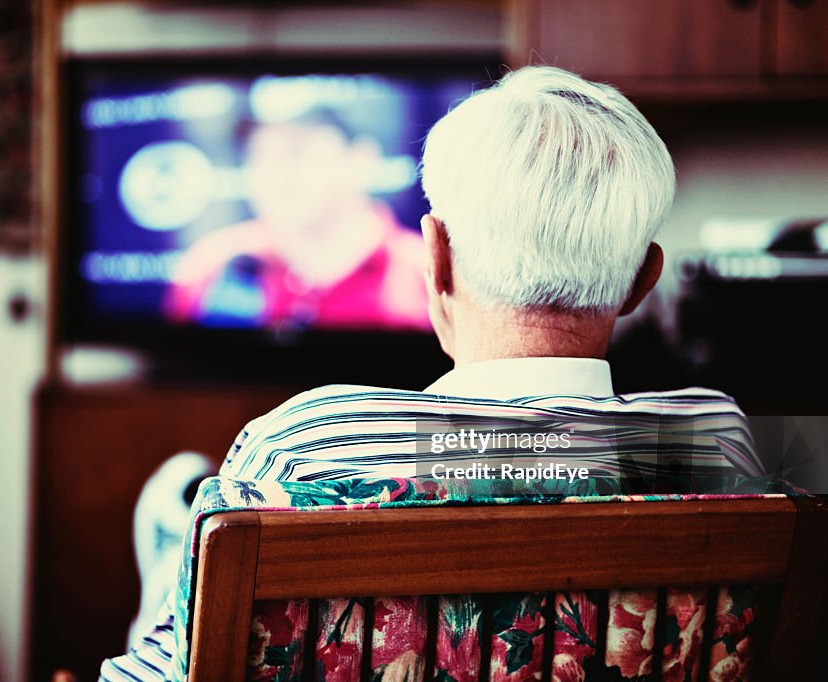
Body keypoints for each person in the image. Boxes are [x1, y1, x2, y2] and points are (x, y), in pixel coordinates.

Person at [101, 65, 764, 681]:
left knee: (179, 566)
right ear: (643, 280)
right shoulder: (715, 440)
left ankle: (175, 540)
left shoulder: (307, 442)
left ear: (436, 257)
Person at [163, 108, 429, 331]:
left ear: (360, 158)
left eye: (296, 152)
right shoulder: (210, 266)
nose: (274, 175)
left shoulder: (429, 277)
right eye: (259, 153)